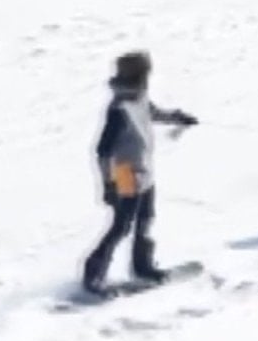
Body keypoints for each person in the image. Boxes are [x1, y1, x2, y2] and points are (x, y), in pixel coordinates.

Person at [82, 50, 198, 295]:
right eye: (145, 73)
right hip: (124, 174)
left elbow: (152, 113)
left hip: (144, 172)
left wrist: (177, 118)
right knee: (122, 225)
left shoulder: (139, 97)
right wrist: (109, 184)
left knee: (146, 219)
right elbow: (103, 151)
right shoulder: (119, 108)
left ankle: (142, 267)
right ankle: (93, 275)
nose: (148, 78)